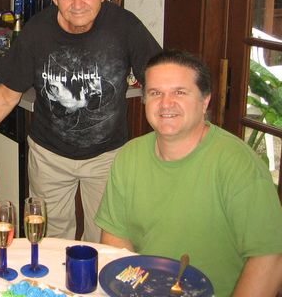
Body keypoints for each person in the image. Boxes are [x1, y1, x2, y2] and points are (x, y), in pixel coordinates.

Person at [0, 0, 161, 242]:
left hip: (107, 157)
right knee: (48, 241)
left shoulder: (125, 26)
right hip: (49, 156)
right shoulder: (37, 32)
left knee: (105, 242)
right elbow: (6, 96)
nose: (77, 3)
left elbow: (160, 82)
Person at [95, 50, 282, 296]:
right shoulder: (130, 156)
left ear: (205, 101)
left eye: (180, 92)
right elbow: (116, 242)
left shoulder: (238, 165)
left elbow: (269, 258)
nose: (166, 103)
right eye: (155, 93)